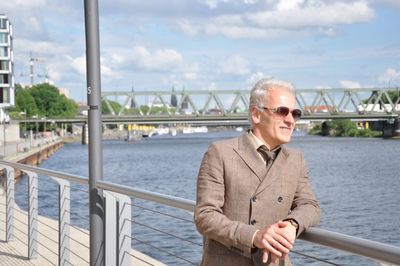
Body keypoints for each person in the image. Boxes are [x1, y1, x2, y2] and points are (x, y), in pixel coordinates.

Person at [194, 78, 320, 266]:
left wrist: (292, 225)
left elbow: (311, 205)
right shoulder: (220, 152)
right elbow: (205, 216)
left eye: (295, 113)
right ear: (256, 114)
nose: (290, 120)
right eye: (282, 111)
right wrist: (254, 236)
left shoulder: (295, 159)